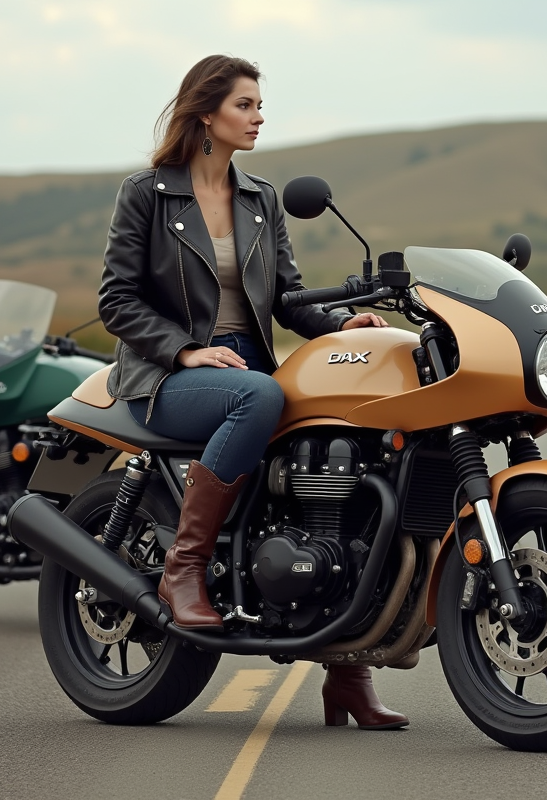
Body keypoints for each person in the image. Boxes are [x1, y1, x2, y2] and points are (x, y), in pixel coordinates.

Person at [98, 55, 407, 731]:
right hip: (167, 375)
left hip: (246, 368)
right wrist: (182, 348)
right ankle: (185, 569)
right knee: (259, 400)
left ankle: (348, 670)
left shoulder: (259, 198)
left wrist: (339, 327)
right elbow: (116, 300)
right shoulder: (149, 193)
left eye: (260, 104)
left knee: (349, 443)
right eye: (245, 104)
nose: (259, 115)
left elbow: (287, 297)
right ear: (205, 113)